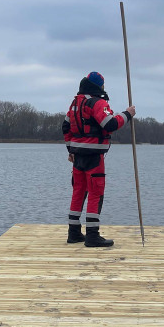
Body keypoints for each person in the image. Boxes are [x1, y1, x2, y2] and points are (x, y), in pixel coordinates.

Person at [62, 71, 136, 247]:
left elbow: (66, 126)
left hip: (78, 156)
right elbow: (109, 124)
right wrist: (127, 114)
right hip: (94, 156)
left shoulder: (75, 103)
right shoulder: (97, 102)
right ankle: (92, 236)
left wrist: (70, 149)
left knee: (79, 191)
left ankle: (73, 233)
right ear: (99, 86)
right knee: (96, 193)